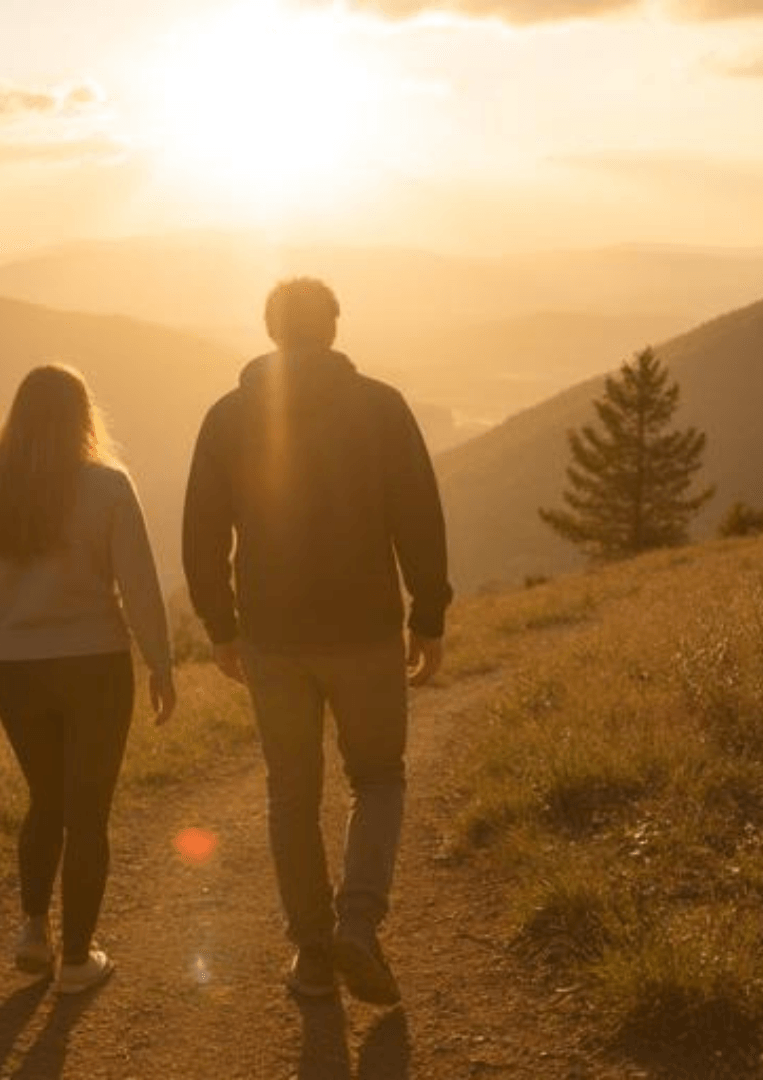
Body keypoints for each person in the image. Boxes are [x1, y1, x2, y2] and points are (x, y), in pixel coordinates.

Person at [182, 278, 451, 1006]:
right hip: (364, 629)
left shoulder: (229, 416)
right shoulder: (382, 408)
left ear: (271, 329)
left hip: (272, 636)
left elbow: (201, 535)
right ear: (332, 328)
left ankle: (311, 953)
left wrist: (220, 628)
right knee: (379, 778)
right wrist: (429, 614)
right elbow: (419, 516)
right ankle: (357, 928)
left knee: (291, 793)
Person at [0, 363, 176, 994]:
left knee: (46, 801)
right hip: (96, 667)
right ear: (84, 416)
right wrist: (160, 663)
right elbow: (138, 585)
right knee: (88, 813)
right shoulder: (107, 486)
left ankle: (32, 930)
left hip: (18, 671)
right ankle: (77, 959)